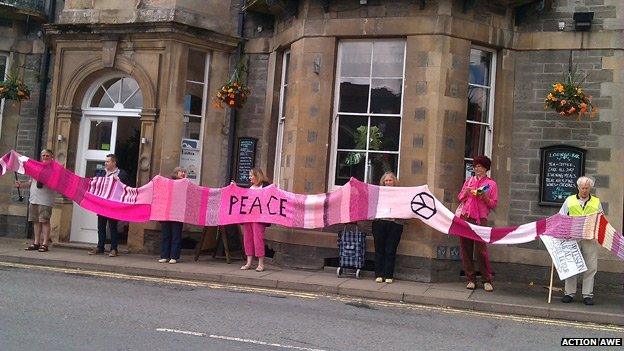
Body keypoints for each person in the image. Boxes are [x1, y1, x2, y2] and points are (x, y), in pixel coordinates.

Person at [456, 156, 498, 292]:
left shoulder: (491, 184)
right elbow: (460, 197)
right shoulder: (469, 181)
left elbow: (493, 204)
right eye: (475, 166)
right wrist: (466, 193)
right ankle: (470, 279)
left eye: (480, 166)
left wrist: (484, 197)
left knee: (481, 251)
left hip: (480, 219)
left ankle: (486, 279)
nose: (477, 169)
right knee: (465, 249)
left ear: (486, 168)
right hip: (465, 217)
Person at [560, 176, 603, 306]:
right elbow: (561, 217)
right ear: (578, 187)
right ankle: (569, 293)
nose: (585, 190)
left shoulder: (596, 202)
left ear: (590, 188)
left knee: (590, 267)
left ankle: (587, 295)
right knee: (572, 265)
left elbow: (601, 219)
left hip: (589, 238)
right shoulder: (569, 200)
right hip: (573, 237)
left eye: (587, 188)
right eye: (583, 188)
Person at [15, 149, 56, 252]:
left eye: (47, 156)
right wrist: (21, 185)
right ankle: (36, 242)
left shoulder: (54, 170)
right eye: (43, 156)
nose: (45, 157)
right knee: (36, 222)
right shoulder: (36, 168)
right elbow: (30, 182)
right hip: (34, 199)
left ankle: (45, 244)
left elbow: (55, 184)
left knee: (45, 221)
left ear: (52, 157)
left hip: (45, 200)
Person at [89, 154, 129, 257]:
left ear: (114, 163)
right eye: (105, 161)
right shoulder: (101, 173)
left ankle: (114, 249)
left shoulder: (122, 174)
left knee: (113, 227)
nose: (105, 163)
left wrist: (119, 181)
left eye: (108, 161)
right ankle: (100, 247)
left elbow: (126, 188)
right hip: (102, 203)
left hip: (113, 205)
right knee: (101, 227)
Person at [372, 172, 404, 284]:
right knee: (379, 249)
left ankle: (388, 275)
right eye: (386, 180)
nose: (388, 182)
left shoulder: (400, 193)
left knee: (390, 250)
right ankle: (379, 274)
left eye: (390, 180)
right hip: (380, 223)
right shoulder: (379, 193)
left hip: (395, 224)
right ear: (383, 182)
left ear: (394, 181)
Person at [240, 168, 271, 272]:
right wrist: (234, 187)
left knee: (258, 239)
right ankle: (248, 262)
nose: (249, 178)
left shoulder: (266, 186)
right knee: (247, 238)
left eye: (251, 175)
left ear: (257, 176)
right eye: (249, 176)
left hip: (259, 217)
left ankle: (260, 264)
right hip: (248, 216)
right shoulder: (250, 187)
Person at [158, 167, 187, 264]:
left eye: (184, 172)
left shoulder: (185, 183)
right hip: (167, 212)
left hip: (178, 213)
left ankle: (174, 256)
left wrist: (185, 179)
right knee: (166, 235)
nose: (182, 173)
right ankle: (164, 256)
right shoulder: (168, 182)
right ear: (175, 173)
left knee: (176, 235)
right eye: (181, 171)